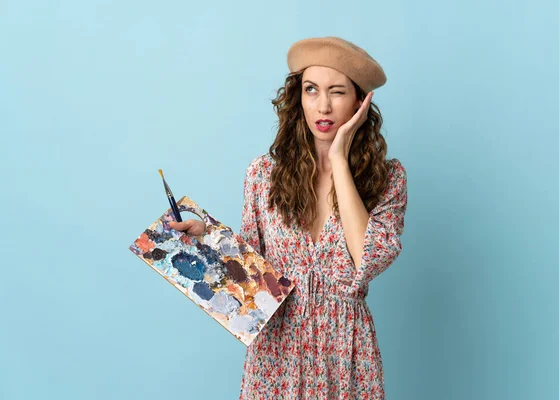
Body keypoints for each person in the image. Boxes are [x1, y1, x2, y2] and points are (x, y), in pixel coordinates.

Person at [171, 36, 408, 399]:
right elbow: (252, 277)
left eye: (338, 92)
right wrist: (208, 239)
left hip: (345, 352)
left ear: (361, 102)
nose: (323, 106)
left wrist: (340, 160)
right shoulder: (263, 174)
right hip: (276, 348)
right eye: (312, 90)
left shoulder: (388, 179)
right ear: (299, 96)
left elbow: (370, 259)